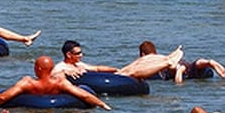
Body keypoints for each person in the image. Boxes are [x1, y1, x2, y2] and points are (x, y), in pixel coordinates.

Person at [0, 56, 111, 110]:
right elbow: (83, 95)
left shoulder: (28, 83)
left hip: (32, 112)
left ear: (38, 69)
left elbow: (4, 97)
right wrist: (103, 104)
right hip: (56, 111)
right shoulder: (59, 82)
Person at [52, 40, 184, 80]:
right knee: (131, 73)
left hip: (105, 77)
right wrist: (65, 73)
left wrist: (116, 69)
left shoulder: (78, 64)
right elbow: (52, 75)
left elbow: (97, 68)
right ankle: (167, 62)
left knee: (131, 67)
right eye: (78, 53)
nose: (81, 55)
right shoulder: (61, 67)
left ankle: (167, 58)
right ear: (69, 55)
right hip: (95, 82)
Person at [136, 40, 225, 84]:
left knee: (176, 78)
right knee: (194, 65)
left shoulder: (148, 63)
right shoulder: (161, 57)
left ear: (143, 54)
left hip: (176, 69)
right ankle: (208, 62)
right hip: (184, 64)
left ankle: (179, 70)